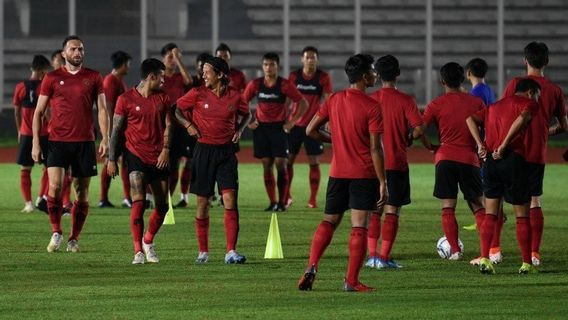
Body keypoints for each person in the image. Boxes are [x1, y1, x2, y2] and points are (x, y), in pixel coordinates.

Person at [298, 53, 386, 292]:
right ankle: (351, 281)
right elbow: (375, 148)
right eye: (373, 72)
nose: (376, 75)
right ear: (365, 76)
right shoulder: (372, 106)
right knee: (359, 226)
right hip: (363, 173)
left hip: (338, 173)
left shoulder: (335, 99)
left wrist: (334, 139)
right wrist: (382, 182)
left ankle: (311, 267)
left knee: (329, 221)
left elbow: (310, 130)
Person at [32, 35, 109, 253]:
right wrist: (36, 143)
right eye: (73, 49)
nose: (78, 53)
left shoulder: (93, 77)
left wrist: (106, 136)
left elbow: (102, 109)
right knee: (55, 187)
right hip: (57, 141)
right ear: (64, 53)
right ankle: (56, 231)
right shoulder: (52, 78)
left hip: (84, 141)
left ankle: (74, 238)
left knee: (81, 192)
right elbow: (38, 112)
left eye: (81, 49)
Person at [175, 57, 252, 264]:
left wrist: (240, 129)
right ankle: (203, 252)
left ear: (219, 75)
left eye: (207, 71)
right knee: (202, 203)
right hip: (203, 152)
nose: (203, 75)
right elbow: (176, 109)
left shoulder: (235, 96)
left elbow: (247, 114)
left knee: (230, 200)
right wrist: (188, 125)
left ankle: (230, 252)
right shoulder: (197, 93)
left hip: (227, 153)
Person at [501, 42, 568, 267]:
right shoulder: (555, 90)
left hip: (514, 149)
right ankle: (534, 253)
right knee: (534, 200)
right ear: (547, 62)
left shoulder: (514, 84)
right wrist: (546, 131)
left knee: (503, 200)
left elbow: (504, 114)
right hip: (537, 152)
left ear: (525, 60)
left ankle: (492, 251)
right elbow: (563, 126)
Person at [466, 78, 541, 274]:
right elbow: (522, 118)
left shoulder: (494, 106)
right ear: (531, 92)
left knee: (491, 213)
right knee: (522, 216)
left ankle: (485, 259)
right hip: (513, 160)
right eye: (538, 95)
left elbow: (469, 119)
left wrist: (480, 145)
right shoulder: (529, 104)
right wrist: (505, 144)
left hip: (491, 162)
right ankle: (526, 264)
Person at [107, 58, 173, 264]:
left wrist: (166, 149)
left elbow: (169, 125)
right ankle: (138, 251)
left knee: (162, 207)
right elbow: (116, 131)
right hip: (135, 156)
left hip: (158, 157)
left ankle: (148, 240)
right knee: (139, 201)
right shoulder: (125, 99)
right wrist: (111, 159)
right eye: (162, 76)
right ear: (152, 76)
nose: (164, 80)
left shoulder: (163, 98)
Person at [421, 62, 486, 261]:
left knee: (448, 206)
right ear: (462, 79)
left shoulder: (435, 104)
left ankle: (455, 252)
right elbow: (488, 127)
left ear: (442, 82)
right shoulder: (476, 103)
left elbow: (419, 129)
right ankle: (487, 251)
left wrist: (429, 145)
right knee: (478, 206)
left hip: (445, 158)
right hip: (469, 159)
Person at [365, 55, 423, 269]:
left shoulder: (370, 99)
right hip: (396, 162)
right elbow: (419, 127)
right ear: (398, 74)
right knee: (392, 211)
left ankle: (372, 257)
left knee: (374, 210)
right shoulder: (406, 101)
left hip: (373, 164)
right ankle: (384, 257)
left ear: (377, 75)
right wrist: (409, 137)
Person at [243, 52, 308, 211]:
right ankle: (272, 202)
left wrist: (292, 122)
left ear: (277, 66)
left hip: (279, 128)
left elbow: (303, 103)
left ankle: (282, 202)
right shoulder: (256, 84)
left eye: (271, 64)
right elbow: (241, 102)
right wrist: (249, 121)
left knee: (281, 164)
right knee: (266, 165)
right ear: (262, 66)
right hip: (261, 129)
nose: (268, 68)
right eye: (265, 64)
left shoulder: (284, 85)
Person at [463, 58, 504, 263]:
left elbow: (473, 121)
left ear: (468, 72)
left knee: (485, 199)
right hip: (492, 143)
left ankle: (492, 250)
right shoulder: (488, 90)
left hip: (483, 148)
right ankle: (494, 248)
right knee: (494, 200)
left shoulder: (475, 93)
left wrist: (477, 144)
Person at [286, 46, 332, 209]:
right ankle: (287, 195)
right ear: (302, 59)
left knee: (314, 162)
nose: (310, 60)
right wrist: (285, 119)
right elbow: (287, 99)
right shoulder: (294, 76)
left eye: (313, 58)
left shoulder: (323, 77)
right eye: (307, 57)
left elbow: (328, 100)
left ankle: (312, 199)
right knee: (288, 161)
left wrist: (327, 120)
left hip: (313, 126)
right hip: (295, 126)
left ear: (317, 60)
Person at [13, 55, 51, 213]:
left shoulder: (21, 86)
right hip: (44, 134)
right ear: (42, 70)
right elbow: (48, 112)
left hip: (27, 133)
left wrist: (19, 130)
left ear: (31, 68)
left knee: (25, 168)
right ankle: (41, 197)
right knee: (49, 167)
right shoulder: (45, 85)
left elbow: (16, 111)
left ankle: (29, 203)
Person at [159, 43, 194, 209]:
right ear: (162, 58)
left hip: (179, 128)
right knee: (160, 166)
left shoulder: (180, 78)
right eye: (170, 57)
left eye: (176, 57)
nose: (173, 60)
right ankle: (153, 197)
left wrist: (178, 59)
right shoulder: (157, 78)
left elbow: (189, 80)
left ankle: (167, 200)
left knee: (175, 166)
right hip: (160, 127)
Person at [99, 50, 132, 209]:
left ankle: (127, 198)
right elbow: (109, 109)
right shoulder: (110, 82)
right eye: (128, 64)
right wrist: (110, 133)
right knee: (109, 162)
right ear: (123, 64)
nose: (129, 67)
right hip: (116, 131)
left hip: (124, 131)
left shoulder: (118, 80)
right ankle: (103, 198)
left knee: (125, 163)